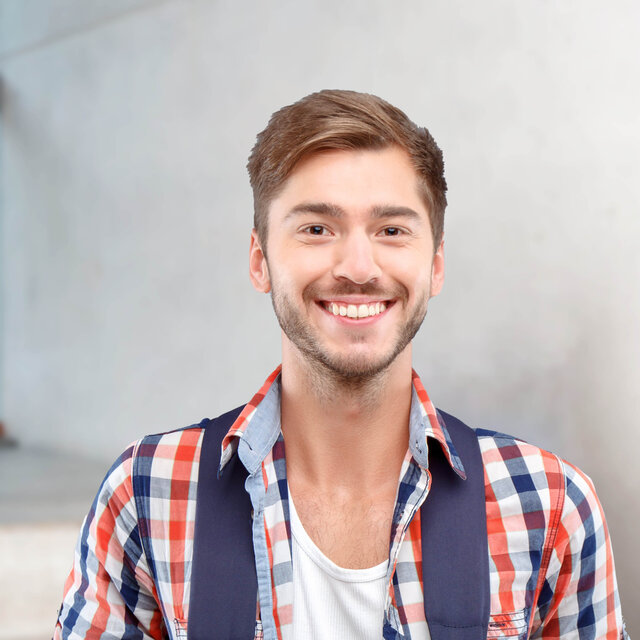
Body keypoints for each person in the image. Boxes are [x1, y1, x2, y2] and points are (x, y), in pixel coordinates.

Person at [54, 90, 628, 640]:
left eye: (391, 230)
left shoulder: (549, 505)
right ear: (260, 262)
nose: (357, 265)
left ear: (435, 265)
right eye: (316, 229)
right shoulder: (147, 493)